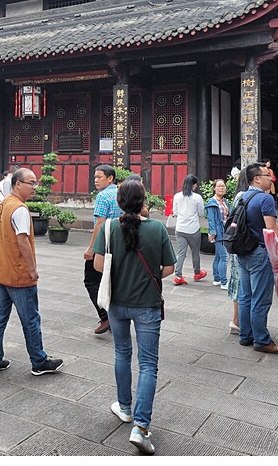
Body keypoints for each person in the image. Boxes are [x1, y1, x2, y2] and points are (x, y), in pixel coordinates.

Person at [92, 178, 176, 455]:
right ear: (143, 202)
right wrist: (149, 274)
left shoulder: (109, 227)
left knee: (121, 354)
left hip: (117, 303)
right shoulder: (157, 229)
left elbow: (98, 264)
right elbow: (168, 268)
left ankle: (124, 407)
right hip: (148, 304)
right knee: (148, 364)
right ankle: (140, 427)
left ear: (118, 203)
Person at [0, 167, 63, 376]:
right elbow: (22, 241)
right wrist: (32, 268)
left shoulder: (4, 203)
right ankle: (39, 361)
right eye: (31, 183)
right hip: (18, 273)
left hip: (2, 271)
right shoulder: (19, 209)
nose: (34, 187)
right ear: (18, 184)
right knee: (30, 319)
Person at [237, 162, 278, 354]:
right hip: (259, 252)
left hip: (243, 251)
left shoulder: (243, 196)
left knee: (246, 296)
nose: (271, 179)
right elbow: (271, 229)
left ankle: (246, 335)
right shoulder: (264, 199)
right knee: (261, 298)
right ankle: (262, 340)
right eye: (268, 175)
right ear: (257, 178)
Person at [83, 165, 122, 334]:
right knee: (114, 281)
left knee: (91, 280)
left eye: (99, 177)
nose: (96, 180)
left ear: (110, 178)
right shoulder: (122, 193)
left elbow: (100, 223)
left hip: (103, 245)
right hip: (120, 244)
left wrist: (91, 248)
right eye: (94, 177)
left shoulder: (103, 196)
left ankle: (105, 316)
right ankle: (117, 317)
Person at [171, 174, 206, 285]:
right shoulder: (197, 198)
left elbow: (175, 212)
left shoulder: (177, 196)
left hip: (180, 228)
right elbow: (201, 213)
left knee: (181, 253)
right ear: (194, 185)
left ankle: (178, 276)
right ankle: (197, 273)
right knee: (195, 252)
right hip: (193, 229)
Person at [226, 169, 249, 335]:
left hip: (237, 244)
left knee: (238, 281)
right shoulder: (243, 196)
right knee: (240, 282)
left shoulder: (239, 195)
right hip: (241, 244)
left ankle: (238, 320)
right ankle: (237, 320)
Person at [204, 179, 231, 289]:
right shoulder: (212, 202)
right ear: (214, 188)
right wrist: (212, 233)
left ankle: (217, 278)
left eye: (223, 186)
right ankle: (224, 282)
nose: (221, 188)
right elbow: (211, 219)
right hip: (218, 232)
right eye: (219, 186)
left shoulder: (225, 202)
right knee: (224, 257)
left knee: (218, 256)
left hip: (225, 231)